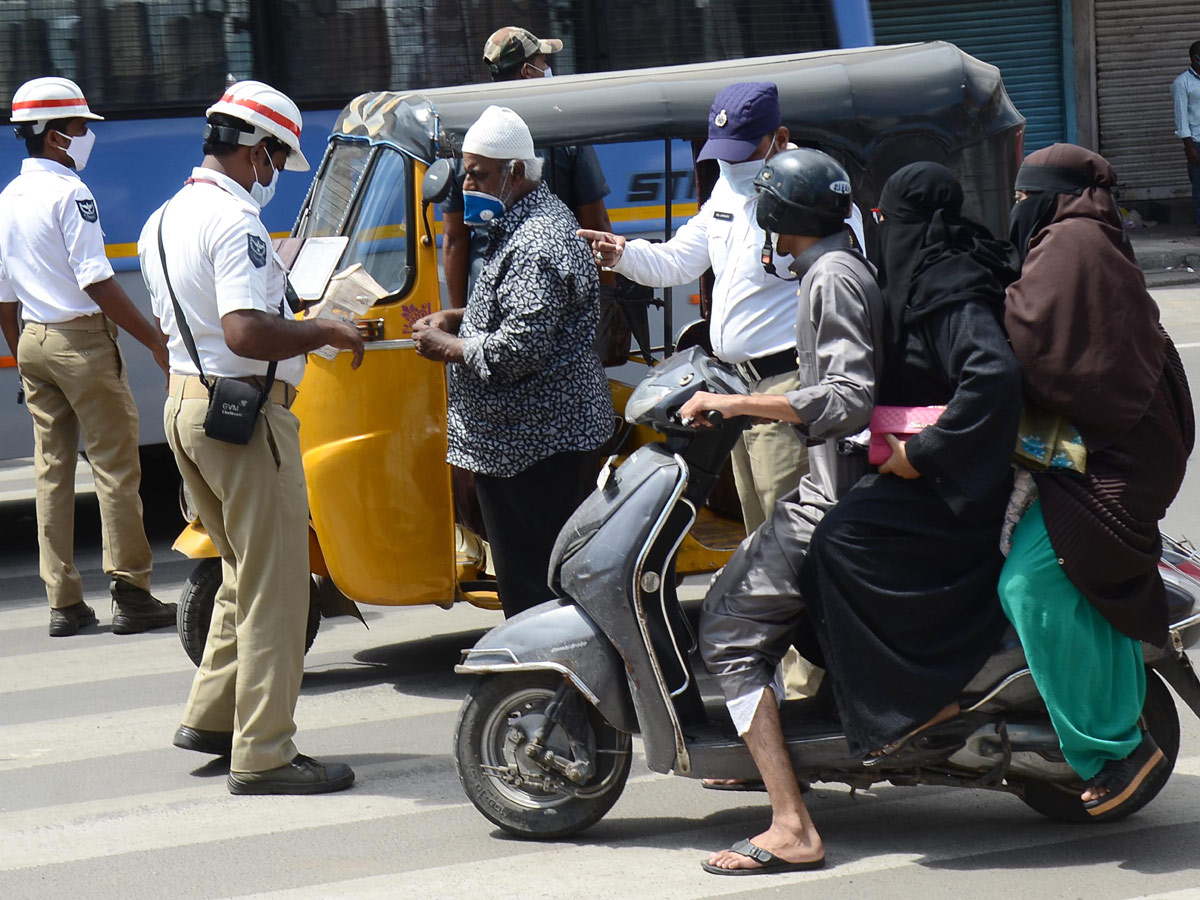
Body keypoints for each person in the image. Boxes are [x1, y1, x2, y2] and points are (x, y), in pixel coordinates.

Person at [138, 81, 364, 794]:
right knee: (277, 589)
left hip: (186, 409)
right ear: (256, 150)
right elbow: (243, 330)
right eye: (275, 160)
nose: (272, 175)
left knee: (241, 571)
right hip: (243, 415)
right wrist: (324, 327)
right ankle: (264, 752)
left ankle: (211, 718)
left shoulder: (164, 217)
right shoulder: (234, 222)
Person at [678, 149, 884, 876]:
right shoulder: (835, 264)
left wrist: (738, 402)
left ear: (778, 215)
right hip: (833, 483)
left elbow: (846, 398)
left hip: (833, 491)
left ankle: (792, 823)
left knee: (727, 628)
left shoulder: (830, 278)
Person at [800, 162, 1022, 774]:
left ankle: (919, 699)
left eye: (890, 220)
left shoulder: (950, 284)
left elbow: (993, 376)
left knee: (840, 542)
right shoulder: (928, 274)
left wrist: (922, 455)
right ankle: (867, 698)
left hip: (960, 484)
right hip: (931, 470)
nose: (884, 231)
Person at [998, 143, 1194, 818]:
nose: (1018, 209)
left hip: (1114, 456)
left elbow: (1033, 341)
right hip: (1120, 442)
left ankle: (1116, 747)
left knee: (1028, 580)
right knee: (1075, 573)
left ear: (1050, 197)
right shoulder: (1088, 235)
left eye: (1025, 198)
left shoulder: (1070, 245)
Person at [580, 82, 808, 535]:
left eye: (744, 151)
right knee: (759, 529)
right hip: (736, 386)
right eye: (725, 153)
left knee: (790, 532)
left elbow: (840, 284)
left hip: (785, 382)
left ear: (779, 140)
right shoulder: (727, 186)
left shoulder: (810, 192)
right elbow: (678, 259)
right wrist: (621, 254)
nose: (732, 163)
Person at [413, 106, 612, 619]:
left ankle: (554, 690)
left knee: (537, 592)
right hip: (521, 443)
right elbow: (520, 311)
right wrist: (460, 317)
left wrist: (448, 347)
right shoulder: (518, 223)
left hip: (538, 449)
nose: (467, 184)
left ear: (515, 172)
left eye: (477, 174)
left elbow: (518, 349)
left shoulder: (536, 240)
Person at [0, 76, 176, 638]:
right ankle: (132, 593)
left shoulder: (8, 197)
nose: (86, 136)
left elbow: (4, 295)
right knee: (116, 469)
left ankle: (65, 604)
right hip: (81, 344)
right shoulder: (71, 194)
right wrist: (153, 337)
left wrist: (26, 354)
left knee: (51, 474)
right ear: (54, 137)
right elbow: (97, 279)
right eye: (79, 128)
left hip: (33, 339)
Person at [441, 26, 614, 312]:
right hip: (559, 295)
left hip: (487, 298)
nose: (548, 69)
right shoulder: (565, 134)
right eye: (544, 62)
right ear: (527, 71)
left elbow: (454, 238)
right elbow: (596, 227)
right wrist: (608, 305)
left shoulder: (465, 137)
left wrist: (460, 318)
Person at [1171, 41, 1200, 235]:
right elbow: (1181, 117)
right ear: (1194, 58)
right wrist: (1189, 147)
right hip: (1197, 141)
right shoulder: (1182, 83)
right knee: (1199, 185)